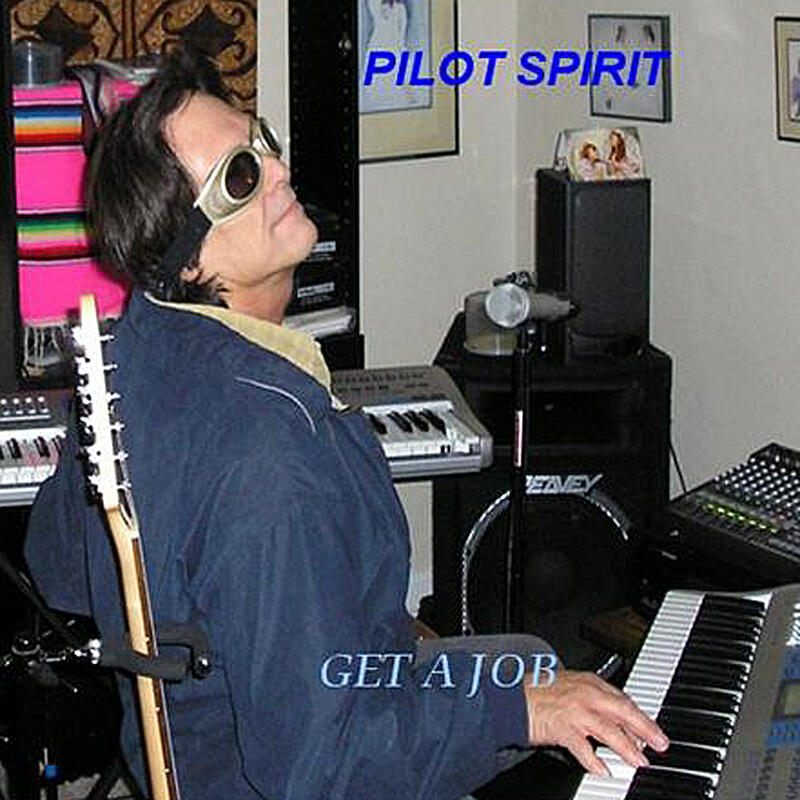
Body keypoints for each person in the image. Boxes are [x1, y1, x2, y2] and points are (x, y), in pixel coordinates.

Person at [24, 50, 668, 800]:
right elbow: (316, 765)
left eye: (262, 141)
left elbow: (58, 561)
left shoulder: (134, 349)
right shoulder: (271, 456)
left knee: (526, 658)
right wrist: (515, 710)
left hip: (205, 728)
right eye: (242, 175)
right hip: (275, 758)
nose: (278, 168)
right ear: (188, 257)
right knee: (533, 689)